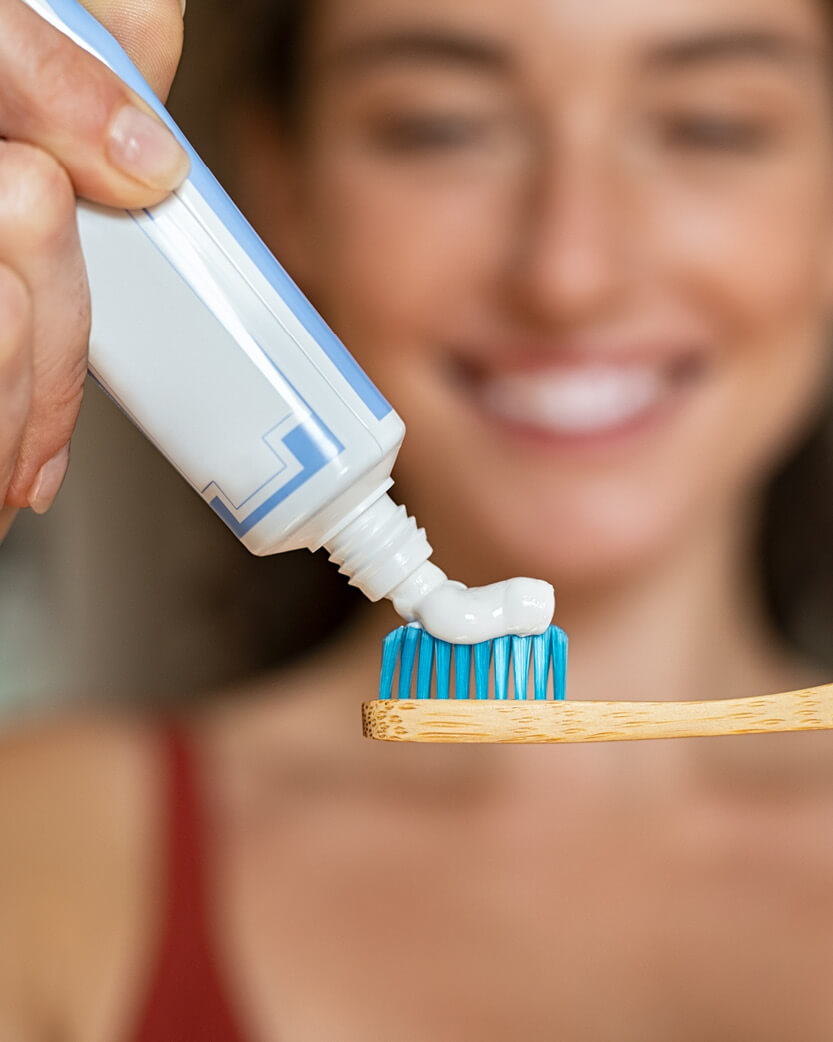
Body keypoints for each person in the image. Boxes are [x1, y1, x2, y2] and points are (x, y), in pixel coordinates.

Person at [1, 0, 833, 1038]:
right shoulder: (37, 857)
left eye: (710, 124)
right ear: (281, 189)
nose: (568, 273)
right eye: (440, 125)